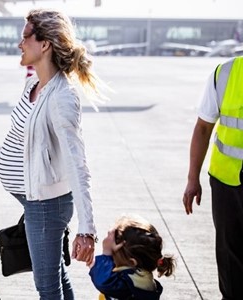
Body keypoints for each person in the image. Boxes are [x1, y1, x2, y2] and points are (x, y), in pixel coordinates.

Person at [0, 8, 107, 299]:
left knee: (47, 287)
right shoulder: (32, 85)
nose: (19, 44)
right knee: (56, 275)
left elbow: (77, 165)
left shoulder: (62, 97)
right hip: (34, 201)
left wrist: (87, 229)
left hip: (45, 206)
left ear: (44, 44)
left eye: (25, 38)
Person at [183, 56, 243, 299]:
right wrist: (192, 179)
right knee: (230, 258)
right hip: (227, 182)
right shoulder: (226, 73)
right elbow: (203, 128)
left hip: (227, 181)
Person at [89, 215, 176, 300]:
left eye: (114, 254)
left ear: (131, 262)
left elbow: (104, 281)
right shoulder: (141, 278)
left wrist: (106, 254)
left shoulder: (129, 284)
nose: (112, 258)